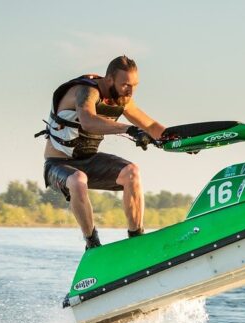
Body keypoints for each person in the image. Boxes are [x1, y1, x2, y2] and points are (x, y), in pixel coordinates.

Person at [35, 55, 166, 250]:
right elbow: (88, 120)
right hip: (58, 165)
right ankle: (92, 244)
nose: (130, 91)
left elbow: (151, 125)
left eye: (134, 85)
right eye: (125, 85)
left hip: (89, 162)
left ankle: (136, 238)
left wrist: (179, 141)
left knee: (132, 172)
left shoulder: (122, 99)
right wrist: (129, 129)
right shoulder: (86, 91)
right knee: (78, 181)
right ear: (109, 79)